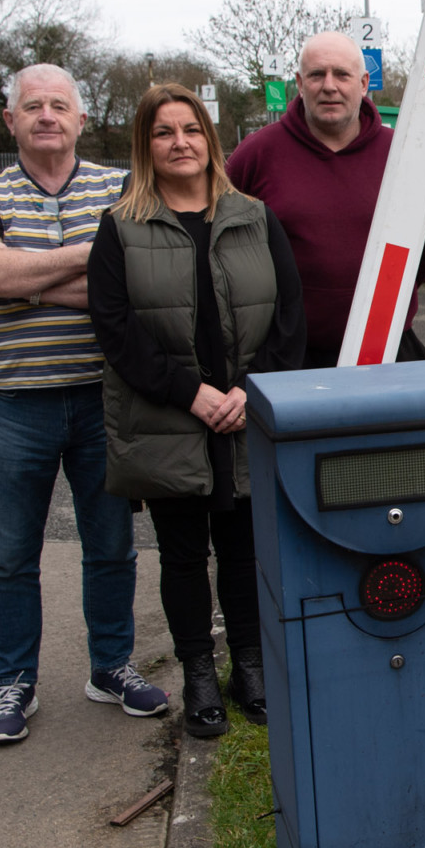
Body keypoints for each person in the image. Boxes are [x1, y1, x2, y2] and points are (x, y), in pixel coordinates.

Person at [0, 62, 167, 745]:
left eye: (59, 105)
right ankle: (13, 682)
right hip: (15, 402)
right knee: (11, 552)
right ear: (10, 120)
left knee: (111, 544)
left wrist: (26, 279)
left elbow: (136, 282)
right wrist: (86, 256)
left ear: (80, 118)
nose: (47, 115)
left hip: (104, 399)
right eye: (32, 106)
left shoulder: (122, 186)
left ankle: (111, 666)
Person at [87, 84, 305, 737]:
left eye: (190, 130)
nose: (178, 142)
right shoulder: (121, 227)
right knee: (182, 557)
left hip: (243, 418)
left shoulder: (255, 218)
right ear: (145, 146)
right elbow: (115, 330)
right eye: (163, 132)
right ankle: (199, 675)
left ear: (209, 140)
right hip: (168, 422)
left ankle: (250, 667)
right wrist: (192, 393)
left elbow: (290, 319)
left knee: (243, 552)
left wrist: (250, 389)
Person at [226, 31, 425, 368]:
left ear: (363, 83)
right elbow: (222, 240)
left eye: (341, 74)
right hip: (285, 356)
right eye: (317, 74)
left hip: (386, 350)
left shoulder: (403, 153)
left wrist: (388, 294)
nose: (329, 86)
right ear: (300, 83)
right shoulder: (257, 154)